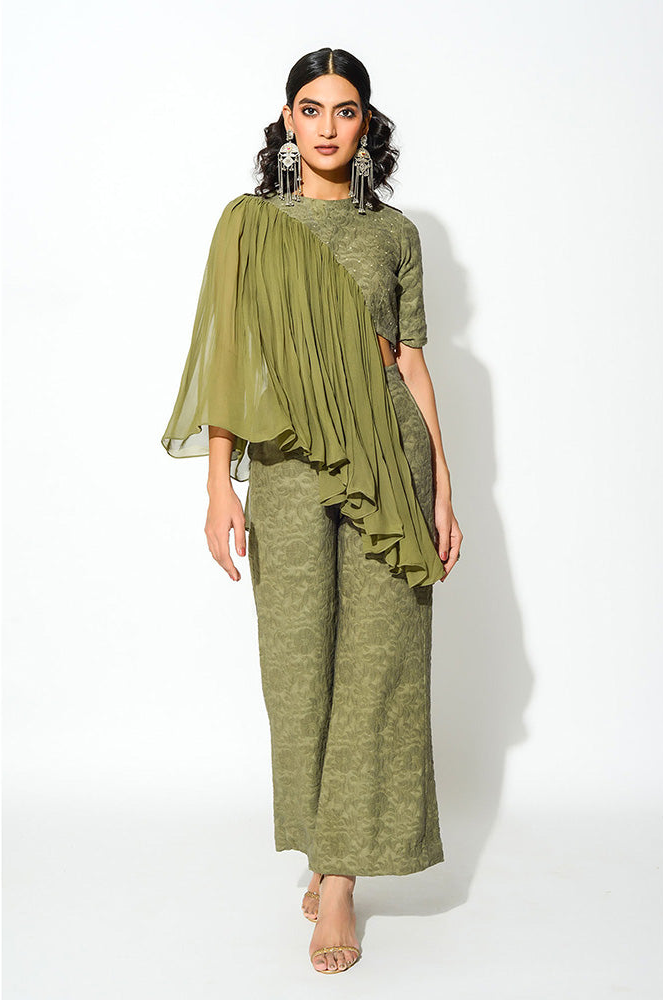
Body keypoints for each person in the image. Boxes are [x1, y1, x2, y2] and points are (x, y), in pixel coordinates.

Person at [160, 47, 462, 974]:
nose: (329, 125)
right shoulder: (251, 225)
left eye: (346, 109)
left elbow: (412, 362)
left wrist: (445, 487)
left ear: (368, 124)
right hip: (288, 462)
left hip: (391, 459)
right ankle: (324, 845)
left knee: (380, 666)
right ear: (287, 121)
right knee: (298, 665)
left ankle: (338, 882)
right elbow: (230, 363)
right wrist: (220, 483)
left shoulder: (394, 233)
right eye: (311, 108)